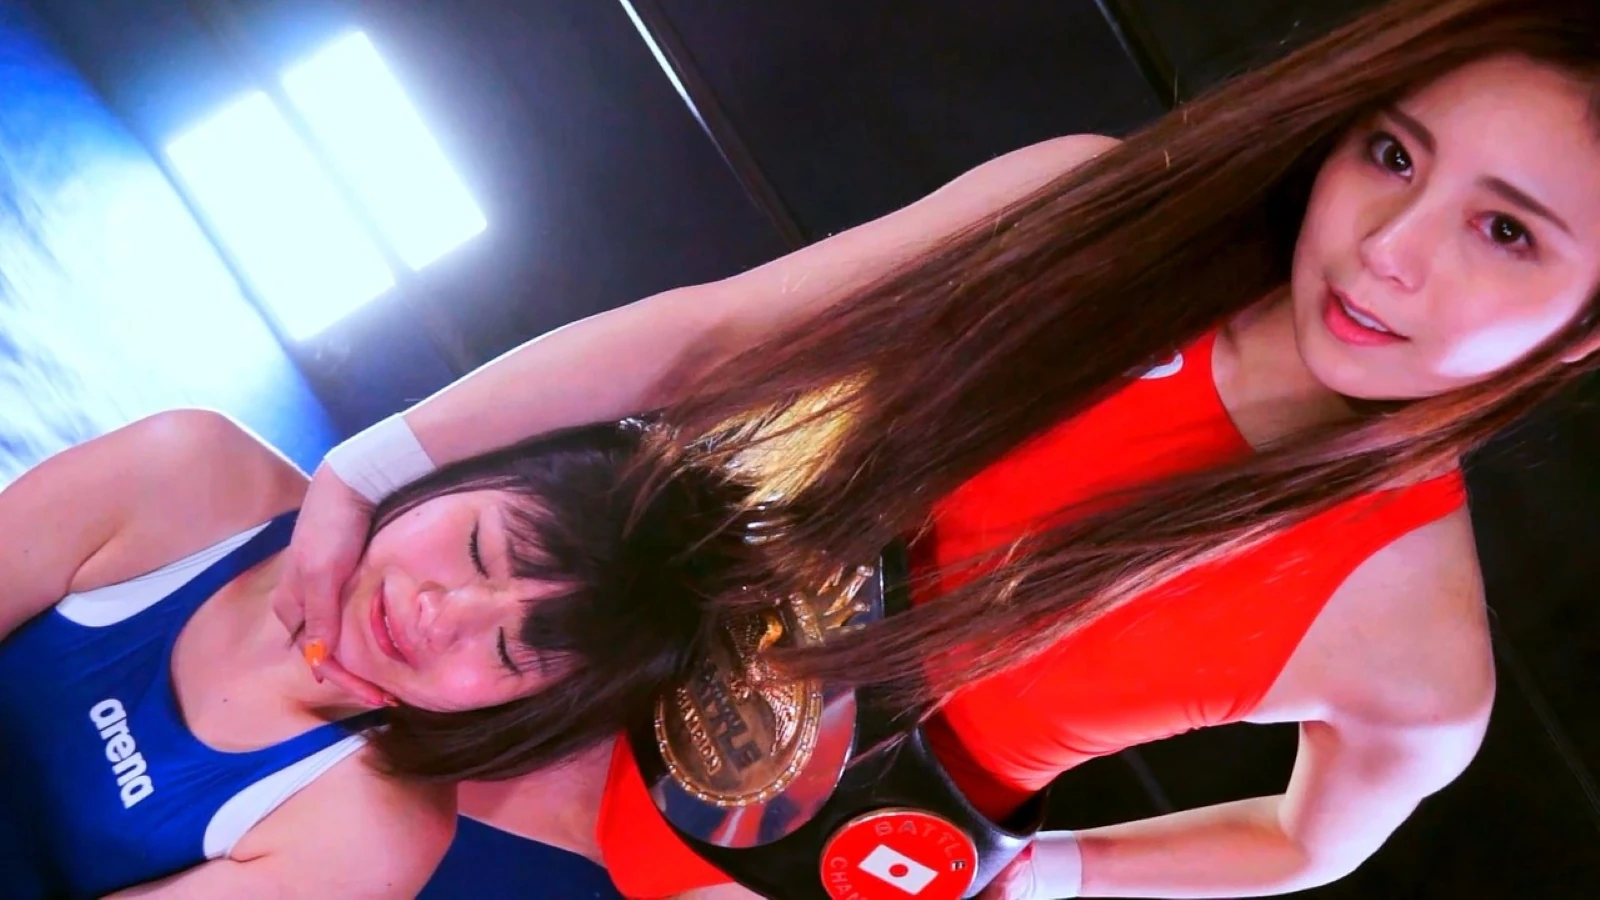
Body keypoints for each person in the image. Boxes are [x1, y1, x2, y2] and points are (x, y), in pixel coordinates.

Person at [273, 0, 1600, 896]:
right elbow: (715, 337)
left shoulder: (1415, 648)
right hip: (526, 716)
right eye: (1392, 155)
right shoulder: (1091, 212)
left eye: (1506, 232)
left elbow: (1310, 845)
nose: (1389, 249)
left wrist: (1042, 877)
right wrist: (371, 468)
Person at [0, 408, 737, 898]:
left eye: (509, 652)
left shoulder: (373, 836)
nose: (441, 616)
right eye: (478, 548)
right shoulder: (191, 470)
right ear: (457, 469)